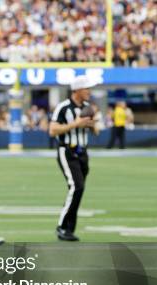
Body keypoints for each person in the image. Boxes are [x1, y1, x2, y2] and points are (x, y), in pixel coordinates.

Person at [49, 75, 100, 241]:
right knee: (76, 187)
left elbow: (96, 132)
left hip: (83, 153)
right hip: (68, 152)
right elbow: (52, 130)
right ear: (77, 90)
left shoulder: (88, 107)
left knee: (79, 189)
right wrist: (75, 124)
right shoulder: (63, 108)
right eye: (86, 88)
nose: (89, 92)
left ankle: (69, 228)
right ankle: (62, 227)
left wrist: (92, 125)